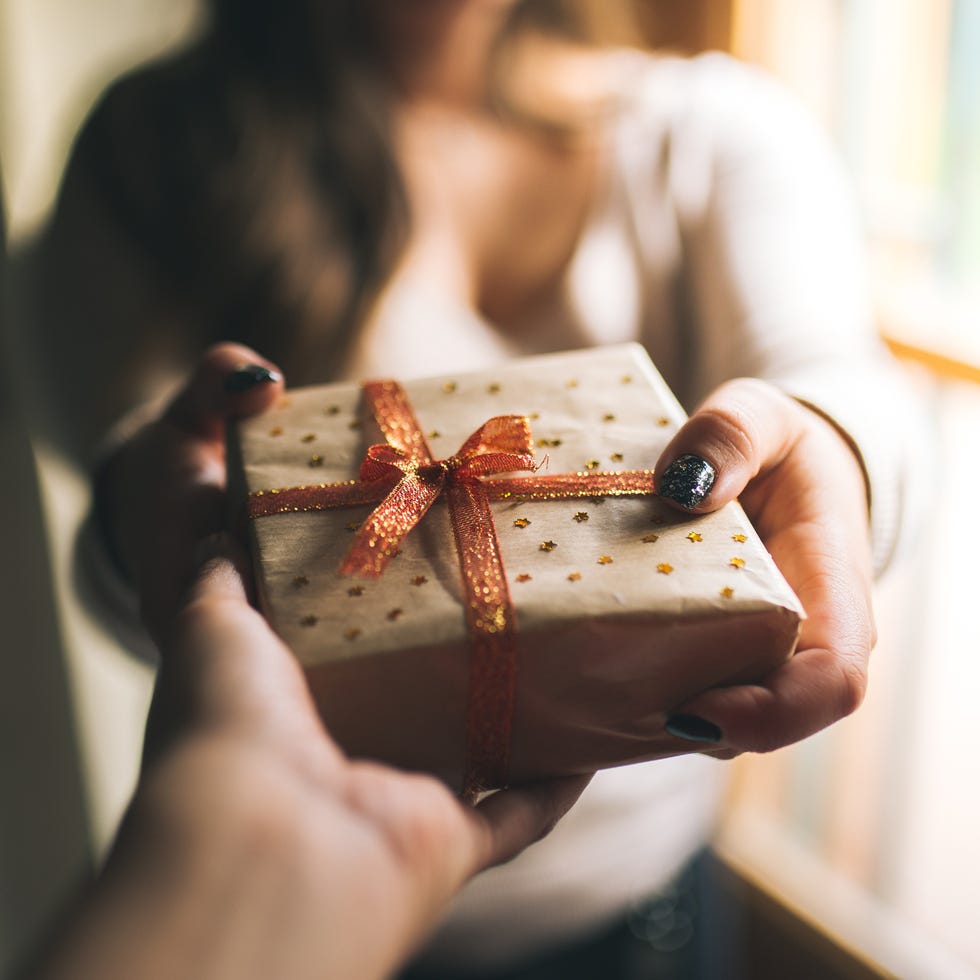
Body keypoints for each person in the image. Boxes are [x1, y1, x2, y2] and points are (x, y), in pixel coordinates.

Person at [17, 0, 915, 975]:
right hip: (292, 906)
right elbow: (126, 492)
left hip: (640, 911)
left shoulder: (706, 129)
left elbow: (830, 374)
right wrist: (146, 529)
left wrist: (831, 442)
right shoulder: (149, 150)